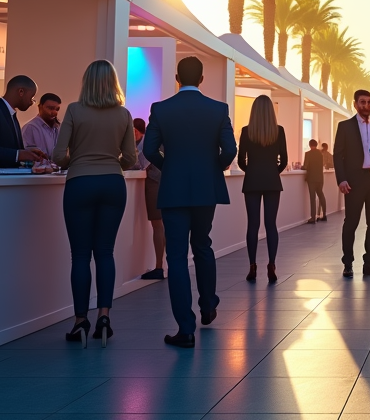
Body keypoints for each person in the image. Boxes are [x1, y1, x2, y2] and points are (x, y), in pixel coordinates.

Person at [143, 56, 237, 349]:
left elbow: (148, 150)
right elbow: (230, 150)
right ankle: (208, 305)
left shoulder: (161, 109)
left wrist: (168, 166)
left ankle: (185, 328)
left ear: (176, 77)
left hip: (172, 190)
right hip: (205, 190)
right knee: (203, 245)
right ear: (202, 79)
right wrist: (213, 168)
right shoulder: (218, 109)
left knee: (177, 256)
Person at [53, 60, 136, 348]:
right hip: (113, 184)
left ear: (86, 82)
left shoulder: (75, 110)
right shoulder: (124, 114)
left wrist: (75, 160)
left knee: (80, 256)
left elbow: (57, 155)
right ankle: (104, 316)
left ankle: (80, 322)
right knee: (105, 252)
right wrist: (112, 162)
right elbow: (131, 159)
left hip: (80, 183)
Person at [334, 89, 370, 279]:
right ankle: (348, 263)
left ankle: (369, 263)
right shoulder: (345, 127)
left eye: (369, 102)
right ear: (355, 104)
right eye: (362, 102)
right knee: (351, 223)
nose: (366, 106)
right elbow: (338, 156)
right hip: (354, 182)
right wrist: (341, 179)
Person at [238, 95, 287, 284]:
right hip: (272, 181)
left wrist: (251, 170)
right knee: (271, 224)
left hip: (252, 181)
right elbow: (284, 160)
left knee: (253, 225)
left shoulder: (246, 131)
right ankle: (272, 264)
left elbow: (241, 159)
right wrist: (273, 172)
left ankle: (252, 266)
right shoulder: (279, 131)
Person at [133, 118, 165, 280]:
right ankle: (163, 265)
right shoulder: (160, 137)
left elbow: (140, 161)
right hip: (160, 180)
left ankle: (160, 266)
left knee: (158, 223)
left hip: (155, 181)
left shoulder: (151, 140)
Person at [21, 93, 61, 161]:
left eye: (57, 109)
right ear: (40, 107)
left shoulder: (57, 128)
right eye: (50, 108)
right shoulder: (30, 128)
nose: (54, 112)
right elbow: (26, 154)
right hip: (37, 170)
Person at [303, 139, 327, 222]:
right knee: (321, 195)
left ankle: (313, 217)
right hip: (320, 177)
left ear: (309, 145)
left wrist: (302, 167)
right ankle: (324, 214)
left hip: (311, 178)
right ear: (316, 145)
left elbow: (305, 166)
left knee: (312, 198)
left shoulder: (308, 154)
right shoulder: (320, 154)